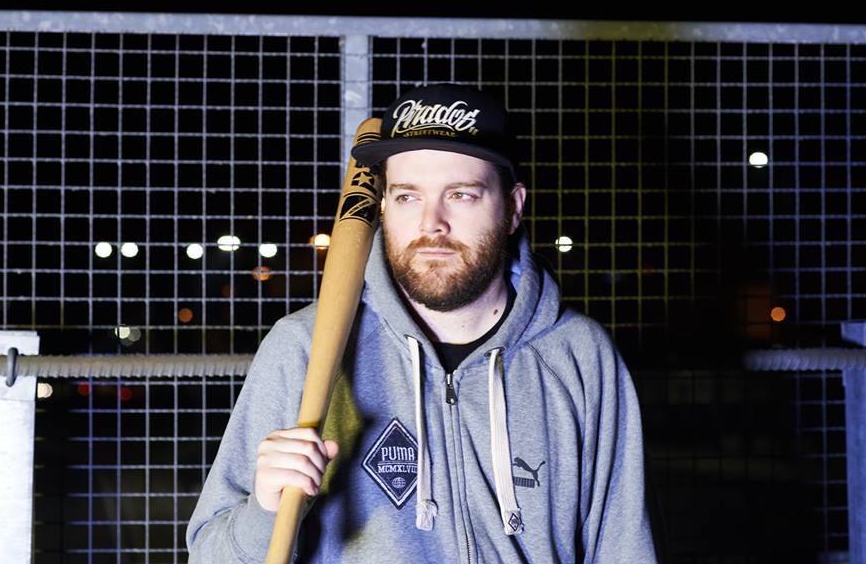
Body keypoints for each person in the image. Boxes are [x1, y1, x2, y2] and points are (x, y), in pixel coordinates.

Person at [186, 83, 658, 563]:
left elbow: (624, 549)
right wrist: (264, 512)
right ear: (384, 206)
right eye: (408, 196)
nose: (432, 222)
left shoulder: (578, 356)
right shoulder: (303, 348)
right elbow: (209, 555)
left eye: (461, 195)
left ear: (514, 207)